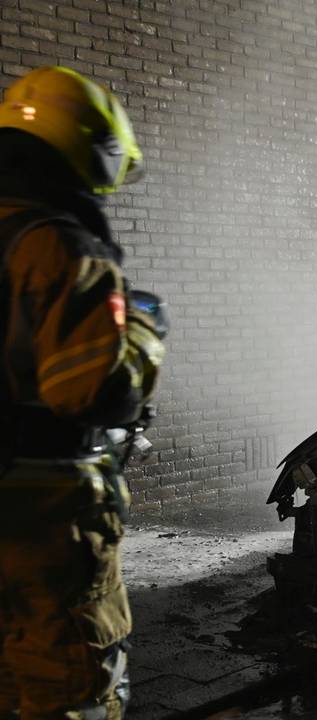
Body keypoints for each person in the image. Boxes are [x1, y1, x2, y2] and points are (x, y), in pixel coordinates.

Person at [0, 66, 165, 719]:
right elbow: (91, 390)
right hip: (40, 516)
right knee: (66, 678)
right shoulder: (58, 244)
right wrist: (145, 329)